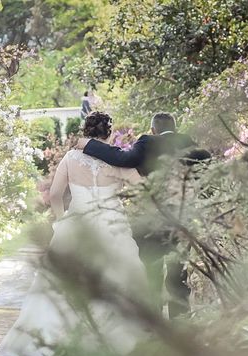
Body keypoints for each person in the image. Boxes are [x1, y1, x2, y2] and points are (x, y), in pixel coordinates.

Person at [0, 112, 147, 356]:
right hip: (113, 226)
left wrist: (63, 220)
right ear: (108, 133)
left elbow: (55, 194)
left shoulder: (71, 158)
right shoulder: (117, 159)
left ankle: (53, 345)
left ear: (86, 131)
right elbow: (142, 188)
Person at [76, 113, 210, 319]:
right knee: (178, 274)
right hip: (183, 219)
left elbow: (122, 158)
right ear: (175, 128)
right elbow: (208, 178)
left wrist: (89, 144)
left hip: (152, 218)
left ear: (153, 130)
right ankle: (181, 324)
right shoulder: (193, 146)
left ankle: (154, 323)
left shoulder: (147, 142)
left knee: (152, 270)